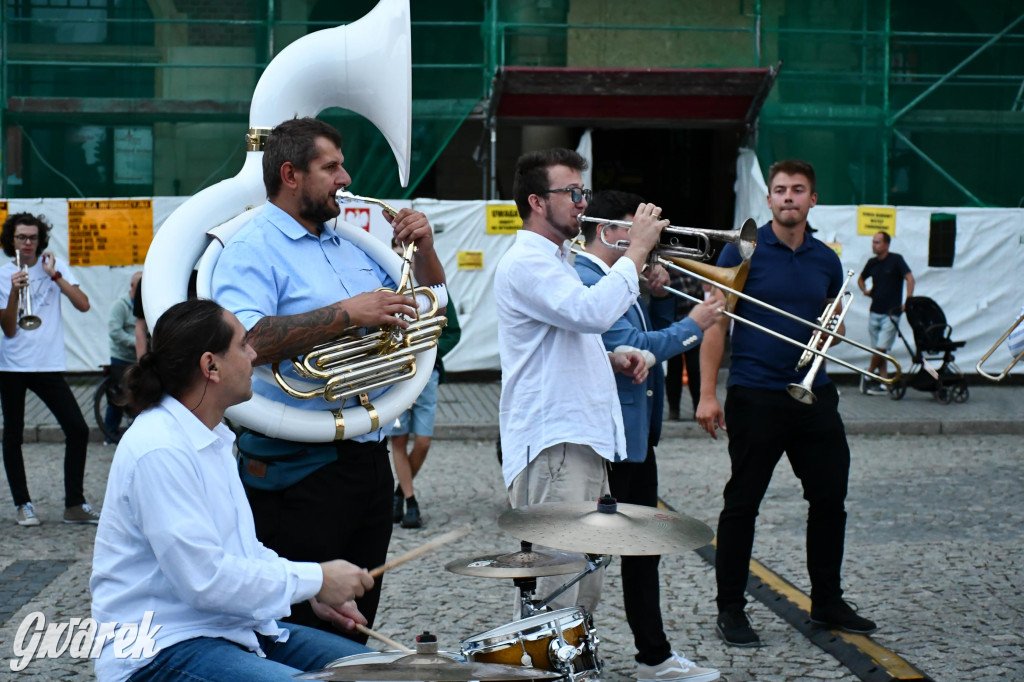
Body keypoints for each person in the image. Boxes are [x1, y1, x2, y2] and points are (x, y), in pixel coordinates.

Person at [212, 116, 446, 638]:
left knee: (356, 623)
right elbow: (243, 343)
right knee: (297, 632)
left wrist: (424, 251)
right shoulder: (251, 247)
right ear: (291, 174)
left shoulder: (352, 244)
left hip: (367, 459)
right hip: (297, 470)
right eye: (332, 167)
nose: (346, 177)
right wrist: (346, 314)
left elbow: (430, 309)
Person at [90, 298, 374, 682]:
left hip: (236, 630)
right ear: (210, 366)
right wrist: (317, 579)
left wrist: (311, 593)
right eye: (243, 345)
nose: (254, 354)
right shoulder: (159, 448)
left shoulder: (213, 436)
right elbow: (205, 580)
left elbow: (243, 551)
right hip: (160, 649)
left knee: (380, 671)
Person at [696, 159, 877, 647]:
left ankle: (827, 601)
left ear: (812, 199)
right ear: (770, 199)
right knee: (742, 505)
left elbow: (829, 331)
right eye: (780, 190)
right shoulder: (744, 250)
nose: (789, 198)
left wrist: (834, 331)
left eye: (799, 190)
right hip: (755, 394)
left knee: (829, 500)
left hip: (814, 395)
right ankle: (730, 609)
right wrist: (708, 393)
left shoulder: (826, 259)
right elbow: (717, 324)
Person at [494, 147, 662, 616]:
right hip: (555, 444)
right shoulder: (528, 261)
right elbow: (590, 313)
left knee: (583, 590)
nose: (582, 202)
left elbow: (559, 338)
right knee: (554, 591)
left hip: (578, 441)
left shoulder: (558, 259)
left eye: (581, 191)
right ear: (536, 202)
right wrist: (638, 250)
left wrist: (609, 357)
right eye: (571, 192)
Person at [575, 190, 722, 682]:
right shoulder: (586, 278)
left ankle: (652, 657)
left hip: (635, 436)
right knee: (586, 555)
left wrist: (658, 298)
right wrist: (694, 324)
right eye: (635, 230)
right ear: (608, 232)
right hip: (609, 438)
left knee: (643, 552)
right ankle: (584, 653)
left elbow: (648, 336)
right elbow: (629, 349)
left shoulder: (618, 281)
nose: (648, 241)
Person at [0, 212, 98, 526]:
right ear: (11, 241)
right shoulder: (3, 275)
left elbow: (83, 304)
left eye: (32, 237)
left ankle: (74, 504)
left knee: (78, 429)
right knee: (13, 436)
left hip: (48, 364)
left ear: (40, 239)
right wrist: (16, 290)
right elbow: (10, 330)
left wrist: (55, 276)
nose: (27, 243)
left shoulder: (54, 267)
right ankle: (23, 504)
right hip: (11, 366)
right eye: (21, 238)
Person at [391, 299, 461, 529]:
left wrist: (429, 350)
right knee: (399, 440)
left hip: (426, 374)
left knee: (423, 442)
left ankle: (399, 492)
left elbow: (452, 332)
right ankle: (411, 501)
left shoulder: (432, 287)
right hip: (396, 372)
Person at [857, 231, 914, 395]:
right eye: (873, 242)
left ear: (887, 244)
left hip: (891, 313)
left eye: (877, 242)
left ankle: (868, 375)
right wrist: (865, 290)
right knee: (878, 350)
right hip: (875, 311)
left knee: (881, 348)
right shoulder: (872, 262)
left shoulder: (896, 260)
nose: (874, 245)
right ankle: (884, 383)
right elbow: (860, 278)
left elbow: (910, 278)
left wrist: (908, 300)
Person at [103, 270, 142, 442]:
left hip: (138, 357)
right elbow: (115, 332)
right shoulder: (120, 306)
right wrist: (136, 342)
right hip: (122, 357)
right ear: (133, 286)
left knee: (139, 394)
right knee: (117, 397)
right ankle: (109, 433)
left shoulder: (144, 303)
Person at [665, 271, 706, 420]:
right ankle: (674, 410)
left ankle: (698, 407)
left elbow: (700, 299)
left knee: (694, 370)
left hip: (693, 329)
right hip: (673, 330)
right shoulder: (667, 277)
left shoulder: (692, 277)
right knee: (673, 372)